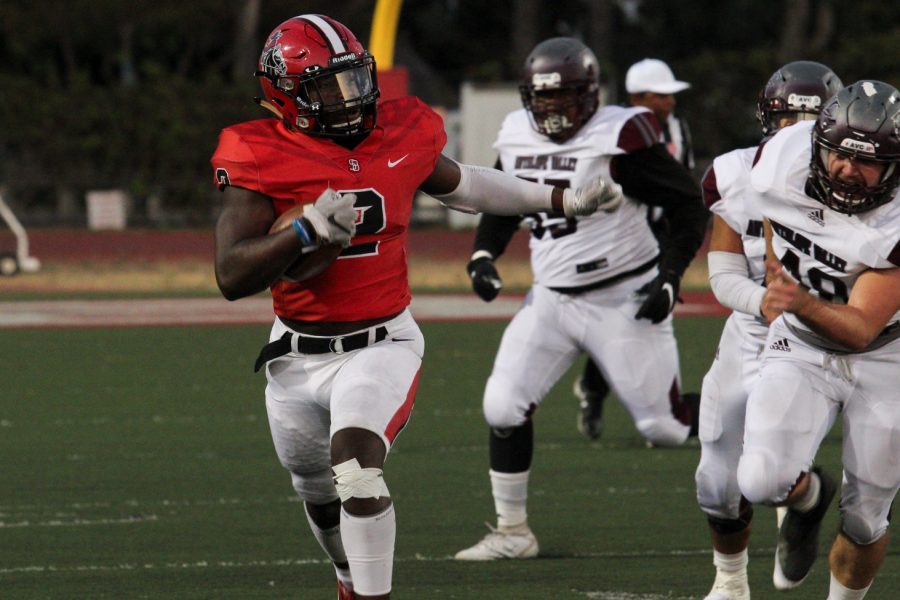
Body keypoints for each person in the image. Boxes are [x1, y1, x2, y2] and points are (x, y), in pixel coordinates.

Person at [210, 15, 617, 600]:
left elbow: (470, 186)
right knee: (318, 493)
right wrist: (301, 236)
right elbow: (230, 274)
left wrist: (563, 199)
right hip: (295, 356)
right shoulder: (257, 150)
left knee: (356, 470)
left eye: (353, 81)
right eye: (328, 87)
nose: (349, 99)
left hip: (381, 342)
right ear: (287, 95)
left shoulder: (401, 130)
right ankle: (350, 579)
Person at [455, 37, 707, 561]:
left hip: (623, 296)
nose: (551, 111)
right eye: (542, 99)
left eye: (563, 99)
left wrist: (668, 277)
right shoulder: (517, 133)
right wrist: (484, 255)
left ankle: (738, 409)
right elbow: (503, 199)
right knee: (502, 405)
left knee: (663, 429)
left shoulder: (619, 135)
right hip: (551, 298)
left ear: (589, 96)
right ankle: (513, 531)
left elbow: (687, 205)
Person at [737, 80, 900, 600]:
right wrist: (776, 271)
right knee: (759, 481)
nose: (849, 171)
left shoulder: (894, 221)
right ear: (817, 145)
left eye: (868, 162)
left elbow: (860, 326)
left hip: (885, 356)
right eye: (840, 155)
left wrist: (795, 296)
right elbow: (762, 213)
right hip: (801, 342)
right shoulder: (780, 155)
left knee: (865, 519)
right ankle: (807, 502)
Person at [693, 61, 843, 600]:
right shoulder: (736, 173)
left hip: (832, 339)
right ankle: (730, 583)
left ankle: (813, 507)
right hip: (754, 333)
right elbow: (723, 273)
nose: (796, 134)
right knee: (716, 478)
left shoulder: (857, 179)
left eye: (810, 121)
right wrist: (766, 303)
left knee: (781, 466)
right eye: (787, 120)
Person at [573, 57, 696, 439]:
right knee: (619, 316)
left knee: (652, 312)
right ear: (638, 96)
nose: (670, 102)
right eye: (661, 95)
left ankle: (654, 404)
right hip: (621, 232)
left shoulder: (678, 128)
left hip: (660, 229)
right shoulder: (611, 129)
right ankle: (602, 391)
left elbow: (684, 182)